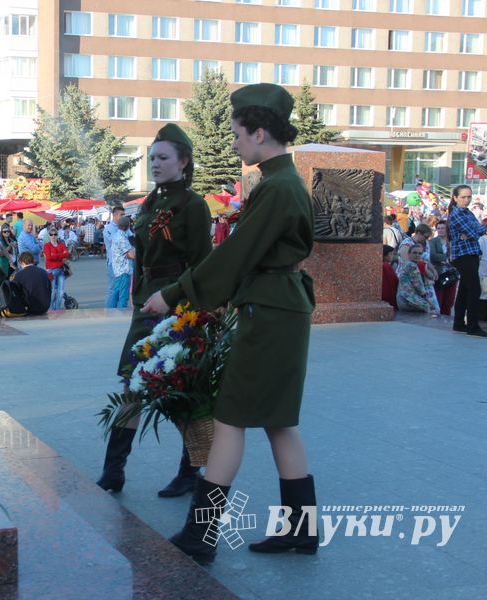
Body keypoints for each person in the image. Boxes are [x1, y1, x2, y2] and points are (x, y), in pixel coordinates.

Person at [142, 84, 319, 563]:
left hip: (269, 314)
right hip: (281, 308)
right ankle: (301, 530)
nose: (235, 143)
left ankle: (202, 535)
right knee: (279, 422)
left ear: (260, 132)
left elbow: (236, 256)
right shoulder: (283, 183)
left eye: (239, 133)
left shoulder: (277, 187)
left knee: (229, 420)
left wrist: (175, 294)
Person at [95, 123, 212, 501]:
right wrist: (136, 295)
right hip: (146, 303)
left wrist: (192, 311)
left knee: (177, 389)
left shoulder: (193, 206)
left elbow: (202, 262)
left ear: (183, 162)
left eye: (163, 158)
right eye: (152, 158)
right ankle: (113, 471)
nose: (155, 164)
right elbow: (141, 252)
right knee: (132, 384)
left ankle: (191, 471)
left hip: (177, 306)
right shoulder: (148, 202)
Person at [447, 185, 487, 337]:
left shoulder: (468, 212)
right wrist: (475, 231)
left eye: (469, 197)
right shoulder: (457, 214)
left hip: (471, 252)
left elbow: (478, 230)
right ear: (455, 198)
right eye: (463, 197)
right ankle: (472, 326)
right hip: (462, 254)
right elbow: (477, 231)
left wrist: (474, 231)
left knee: (465, 289)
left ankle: (459, 323)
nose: (466, 200)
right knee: (474, 289)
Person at [396, 243, 439, 315]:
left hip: (404, 299)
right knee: (434, 310)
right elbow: (418, 286)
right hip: (408, 300)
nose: (417, 255)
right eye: (414, 253)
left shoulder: (408, 264)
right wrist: (428, 300)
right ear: (409, 254)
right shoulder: (412, 265)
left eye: (419, 253)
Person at [428, 221, 456, 315]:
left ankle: (446, 317)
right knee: (438, 298)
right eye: (438, 228)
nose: (440, 230)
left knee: (449, 300)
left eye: (442, 228)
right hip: (438, 273)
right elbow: (433, 256)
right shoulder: (433, 241)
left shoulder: (452, 241)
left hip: (451, 273)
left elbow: (456, 255)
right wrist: (448, 258)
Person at [106, 216, 134, 309]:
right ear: (128, 226)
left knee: (116, 293)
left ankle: (110, 312)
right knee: (123, 296)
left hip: (118, 269)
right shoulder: (122, 238)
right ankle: (122, 315)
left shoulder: (116, 235)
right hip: (124, 270)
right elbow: (131, 255)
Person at [43, 228, 70, 310]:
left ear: (57, 235)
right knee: (53, 292)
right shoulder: (47, 245)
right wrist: (61, 255)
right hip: (51, 270)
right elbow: (49, 257)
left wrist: (55, 254)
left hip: (61, 270)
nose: (53, 236)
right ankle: (51, 308)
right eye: (51, 234)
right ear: (49, 236)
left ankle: (57, 308)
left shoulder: (61, 244)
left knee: (61, 292)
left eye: (55, 234)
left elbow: (67, 254)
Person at [104, 205, 126, 301]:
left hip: (124, 263)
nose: (123, 217)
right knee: (112, 289)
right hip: (113, 263)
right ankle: (110, 313)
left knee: (122, 289)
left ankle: (119, 311)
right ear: (115, 215)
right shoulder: (108, 229)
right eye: (122, 215)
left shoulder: (125, 228)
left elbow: (132, 240)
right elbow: (116, 242)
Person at [381, 245, 398, 309]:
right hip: (388, 296)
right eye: (391, 254)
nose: (392, 256)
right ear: (385, 255)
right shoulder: (386, 266)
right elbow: (394, 280)